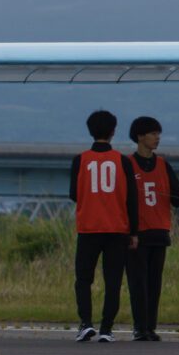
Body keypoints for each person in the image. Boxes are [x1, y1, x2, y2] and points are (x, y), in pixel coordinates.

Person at [121, 115, 179, 343]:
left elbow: (176, 194)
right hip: (136, 234)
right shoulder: (127, 164)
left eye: (158, 134)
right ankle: (139, 327)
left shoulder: (163, 164)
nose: (157, 138)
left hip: (159, 233)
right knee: (137, 283)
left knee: (154, 283)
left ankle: (150, 327)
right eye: (153, 134)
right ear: (140, 136)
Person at [67, 110, 131, 343]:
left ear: (90, 130)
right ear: (113, 131)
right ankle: (107, 328)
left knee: (83, 278)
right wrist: (133, 231)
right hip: (117, 229)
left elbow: (74, 194)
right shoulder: (122, 161)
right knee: (113, 280)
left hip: (88, 228)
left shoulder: (80, 160)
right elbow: (130, 199)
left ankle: (85, 323)